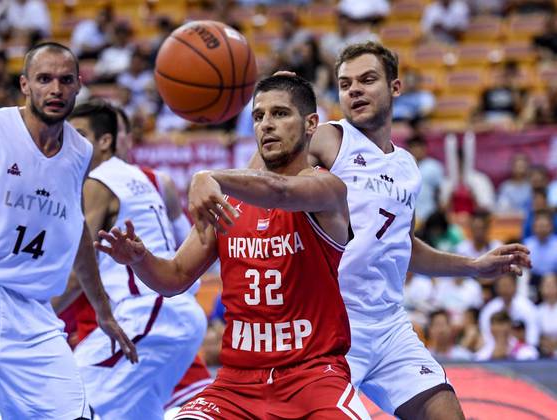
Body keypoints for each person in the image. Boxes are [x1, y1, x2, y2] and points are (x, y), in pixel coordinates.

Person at [271, 42, 530, 419]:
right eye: (345, 84)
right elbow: (267, 177)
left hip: (390, 326)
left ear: (395, 87)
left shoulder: (408, 167)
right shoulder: (332, 138)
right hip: (332, 327)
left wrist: (473, 266)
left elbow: (403, 246)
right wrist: (280, 110)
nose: (354, 90)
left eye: (367, 79)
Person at [96, 75, 370, 419]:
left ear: (311, 123)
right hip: (237, 385)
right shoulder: (224, 203)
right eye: (258, 116)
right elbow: (174, 278)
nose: (267, 125)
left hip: (313, 377)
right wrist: (139, 259)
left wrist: (209, 176)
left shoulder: (326, 189)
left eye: (281, 114)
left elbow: (280, 191)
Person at [0, 42, 136, 420]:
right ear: (25, 85)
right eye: (44, 79)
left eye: (65, 80)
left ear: (79, 85)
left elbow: (75, 231)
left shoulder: (80, 151)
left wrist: (103, 311)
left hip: (29, 311)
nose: (55, 89)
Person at [50, 101, 207, 419]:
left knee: (65, 400)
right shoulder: (148, 178)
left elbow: (80, 265)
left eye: (79, 137)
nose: (71, 146)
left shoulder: (98, 180)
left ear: (105, 141)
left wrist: (38, 311)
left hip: (148, 313)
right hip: (173, 314)